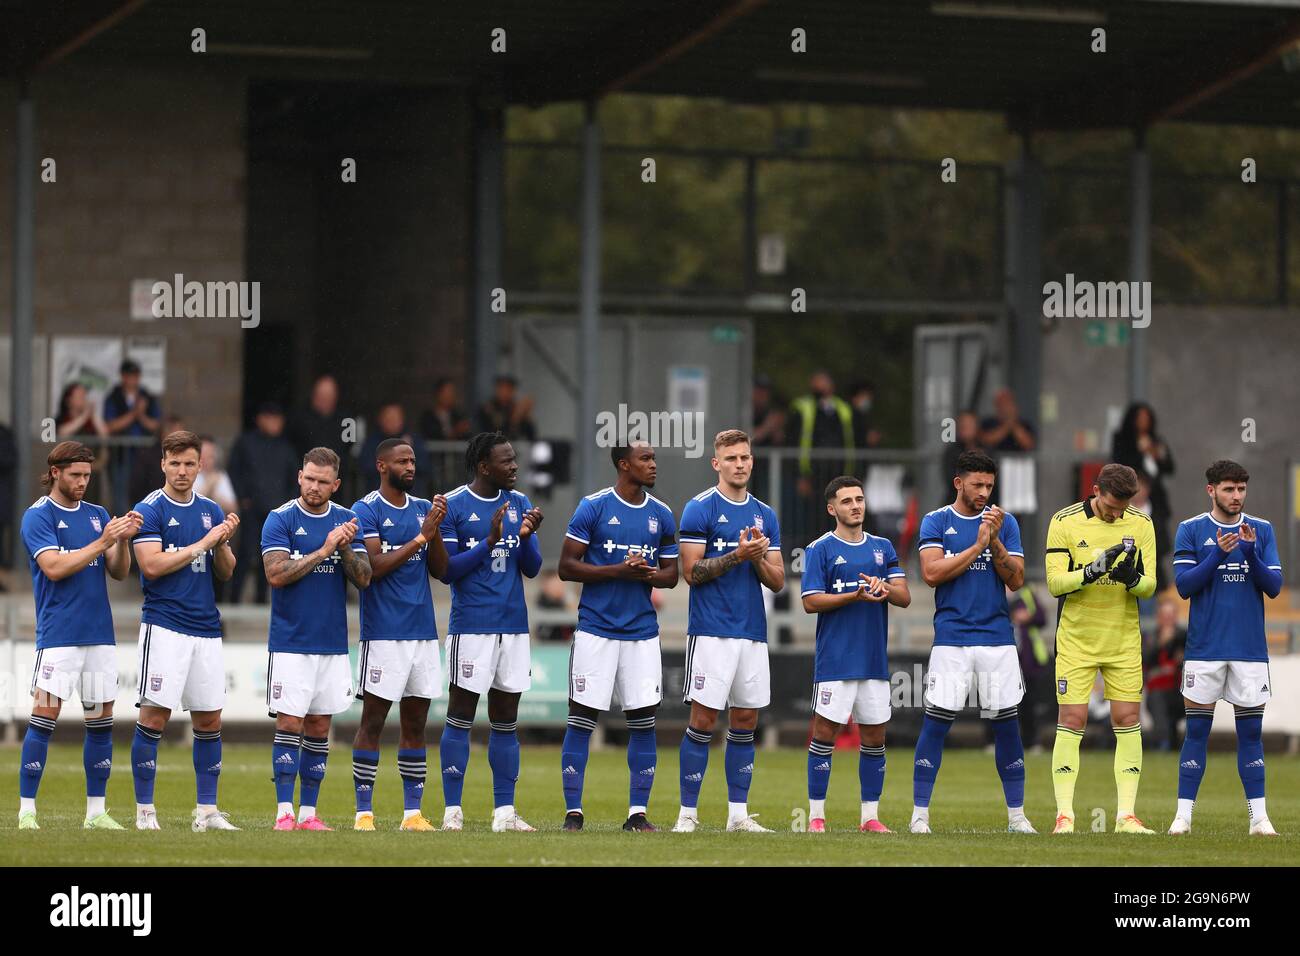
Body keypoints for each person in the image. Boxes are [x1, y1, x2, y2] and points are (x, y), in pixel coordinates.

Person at [17, 441, 142, 830]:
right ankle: (26, 811)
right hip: (59, 636)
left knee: (101, 721)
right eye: (75, 475)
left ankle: (95, 812)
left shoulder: (97, 514)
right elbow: (53, 567)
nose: (83, 482)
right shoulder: (38, 516)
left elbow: (119, 572)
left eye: (88, 475)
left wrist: (121, 540)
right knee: (45, 716)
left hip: (99, 635)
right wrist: (104, 540)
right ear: (55, 473)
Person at [911, 450, 1035, 834]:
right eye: (977, 484)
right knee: (936, 723)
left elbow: (1016, 581)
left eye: (990, 486)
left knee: (1006, 725)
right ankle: (920, 815)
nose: (984, 492)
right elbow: (932, 573)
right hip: (952, 637)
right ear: (958, 483)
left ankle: (1017, 817)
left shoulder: (1005, 522)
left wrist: (994, 542)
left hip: (997, 637)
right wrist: (978, 545)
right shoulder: (936, 521)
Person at [557, 442, 679, 831]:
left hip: (642, 632)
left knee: (643, 721)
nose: (654, 465)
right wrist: (616, 571)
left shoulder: (661, 514)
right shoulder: (593, 506)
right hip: (596, 629)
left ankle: (637, 814)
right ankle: (573, 813)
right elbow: (565, 567)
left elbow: (671, 575)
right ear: (624, 465)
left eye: (654, 459)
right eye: (645, 459)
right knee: (581, 720)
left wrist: (645, 573)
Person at [673, 429, 785, 834]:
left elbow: (778, 581)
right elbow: (691, 572)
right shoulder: (699, 508)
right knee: (703, 720)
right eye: (732, 458)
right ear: (716, 463)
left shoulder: (765, 515)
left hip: (752, 631)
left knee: (746, 720)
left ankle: (738, 814)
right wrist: (739, 554)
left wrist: (755, 559)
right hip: (711, 630)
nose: (740, 464)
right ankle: (687, 814)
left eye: (746, 457)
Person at [128, 430, 240, 831]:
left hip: (206, 628)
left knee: (210, 721)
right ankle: (145, 811)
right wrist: (201, 544)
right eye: (174, 463)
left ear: (199, 465)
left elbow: (225, 572)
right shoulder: (150, 508)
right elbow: (151, 566)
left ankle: (207, 812)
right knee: (154, 717)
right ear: (163, 464)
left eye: (189, 463)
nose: (181, 471)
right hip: (165, 627)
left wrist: (222, 544)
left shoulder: (210, 509)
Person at [435, 432, 544, 833]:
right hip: (473, 627)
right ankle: (452, 812)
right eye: (507, 460)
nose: (515, 466)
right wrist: (490, 541)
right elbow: (448, 570)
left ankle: (504, 813)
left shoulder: (518, 504)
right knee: (461, 715)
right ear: (484, 466)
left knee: (505, 720)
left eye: (515, 459)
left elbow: (531, 568)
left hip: (514, 626)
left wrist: (527, 536)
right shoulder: (454, 506)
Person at [1169, 460, 1282, 837]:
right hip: (1204, 650)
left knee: (1251, 735)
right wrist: (1217, 554)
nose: (1237, 496)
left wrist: (1249, 553)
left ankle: (1259, 819)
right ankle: (1183, 817)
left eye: (1241, 490)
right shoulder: (1191, 529)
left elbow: (1274, 587)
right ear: (1211, 490)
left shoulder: (1261, 531)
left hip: (1249, 651)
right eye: (1229, 489)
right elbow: (1185, 586)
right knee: (1196, 733)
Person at [262, 447, 372, 830]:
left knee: (320, 728)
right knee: (290, 724)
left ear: (335, 484)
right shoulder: (280, 519)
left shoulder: (347, 520)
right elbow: (276, 575)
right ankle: (283, 812)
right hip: (291, 641)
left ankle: (309, 814)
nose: (314, 487)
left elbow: (364, 578)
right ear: (299, 476)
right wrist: (324, 548)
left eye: (323, 482)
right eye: (309, 478)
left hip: (332, 643)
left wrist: (342, 546)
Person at [1045, 462, 1157, 835]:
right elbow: (1055, 583)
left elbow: (1151, 587)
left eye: (1122, 507)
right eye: (1111, 506)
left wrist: (1134, 579)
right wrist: (1090, 572)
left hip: (1123, 638)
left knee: (1127, 720)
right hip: (1076, 639)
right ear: (1095, 491)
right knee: (1072, 720)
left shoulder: (1141, 524)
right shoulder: (1064, 520)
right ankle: (1065, 816)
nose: (1116, 514)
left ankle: (1127, 816)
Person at [799, 475, 910, 833]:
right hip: (835, 660)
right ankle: (817, 816)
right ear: (832, 508)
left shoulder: (883, 547)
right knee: (825, 734)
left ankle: (870, 817)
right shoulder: (820, 549)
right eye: (847, 501)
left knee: (875, 738)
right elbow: (810, 601)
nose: (856, 506)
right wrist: (854, 595)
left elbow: (904, 596)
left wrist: (884, 588)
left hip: (874, 661)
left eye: (859, 499)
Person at [349, 439, 448, 832]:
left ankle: (412, 814)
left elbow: (440, 570)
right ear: (381, 464)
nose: (410, 466)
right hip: (384, 633)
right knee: (373, 722)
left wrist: (435, 530)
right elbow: (371, 567)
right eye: (402, 460)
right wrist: (421, 538)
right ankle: (363, 813)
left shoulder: (424, 509)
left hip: (422, 633)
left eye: (412, 459)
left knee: (416, 724)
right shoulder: (366, 509)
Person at [227, 403, 299, 604]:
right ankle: (233, 599)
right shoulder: (246, 443)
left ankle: (261, 599)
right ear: (260, 419)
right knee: (245, 552)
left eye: (277, 419)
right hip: (251, 509)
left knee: (269, 555)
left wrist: (289, 504)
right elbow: (234, 470)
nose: (274, 423)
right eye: (270, 418)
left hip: (276, 512)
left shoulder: (286, 448)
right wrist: (242, 498)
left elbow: (295, 479)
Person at [1111, 402, 1175, 589]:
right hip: (1129, 496)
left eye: (1147, 419)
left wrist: (1153, 453)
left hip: (1155, 498)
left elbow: (1169, 467)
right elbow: (1120, 463)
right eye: (1140, 419)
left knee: (1156, 539)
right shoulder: (1122, 440)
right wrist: (1140, 452)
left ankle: (1156, 587)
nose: (1143, 423)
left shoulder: (1157, 441)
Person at [790, 371, 855, 542]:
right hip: (812, 473)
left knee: (837, 516)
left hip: (838, 472)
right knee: (812, 519)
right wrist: (800, 475)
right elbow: (793, 440)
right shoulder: (803, 407)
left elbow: (849, 440)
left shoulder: (843, 409)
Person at [102, 359, 162, 517]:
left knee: (145, 493)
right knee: (120, 496)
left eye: (135, 375)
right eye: (129, 375)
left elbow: (155, 425)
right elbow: (110, 425)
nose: (132, 379)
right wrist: (134, 413)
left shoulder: (147, 396)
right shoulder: (114, 396)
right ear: (123, 376)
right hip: (120, 455)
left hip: (144, 455)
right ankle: (122, 532)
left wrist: (140, 415)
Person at [1008, 583, 1052, 753]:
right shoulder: (994, 588)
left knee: (1029, 701)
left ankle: (1031, 741)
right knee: (1000, 701)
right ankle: (998, 740)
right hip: (1002, 656)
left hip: (1027, 659)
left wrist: (1028, 617)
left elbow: (1042, 618)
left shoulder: (1027, 594)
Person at [1142, 596, 1186, 752]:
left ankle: (1190, 745)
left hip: (1179, 691)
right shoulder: (1150, 637)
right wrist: (1161, 643)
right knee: (1158, 701)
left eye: (1171, 615)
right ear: (1158, 617)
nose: (1168, 619)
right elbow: (1145, 659)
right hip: (1158, 693)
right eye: (1164, 615)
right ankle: (1163, 743)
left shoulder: (1184, 636)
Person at [359, 402, 428, 496]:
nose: (392, 421)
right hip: (380, 496)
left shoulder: (413, 440)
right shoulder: (372, 442)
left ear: (402, 419)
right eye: (388, 418)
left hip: (410, 496)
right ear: (380, 419)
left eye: (395, 418)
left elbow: (424, 465)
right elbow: (366, 466)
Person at [475, 375, 537, 441]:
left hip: (515, 448)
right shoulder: (487, 409)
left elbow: (531, 436)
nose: (505, 392)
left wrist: (525, 416)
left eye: (508, 389)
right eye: (501, 388)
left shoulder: (516, 408)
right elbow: (487, 432)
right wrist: (514, 419)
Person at [939, 410, 984, 500]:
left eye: (970, 425)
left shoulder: (985, 450)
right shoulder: (952, 452)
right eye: (964, 425)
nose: (966, 428)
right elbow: (951, 479)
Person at [978, 387, 1035, 453]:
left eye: (1007, 402)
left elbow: (1029, 445)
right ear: (996, 405)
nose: (1004, 407)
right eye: (1001, 403)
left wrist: (1013, 422)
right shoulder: (988, 422)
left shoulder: (1025, 423)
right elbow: (986, 441)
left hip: (1019, 461)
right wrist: (1007, 425)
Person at [421, 377, 472, 441]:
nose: (450, 396)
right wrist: (454, 432)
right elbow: (433, 437)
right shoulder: (428, 417)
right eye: (447, 392)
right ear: (438, 393)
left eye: (452, 392)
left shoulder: (458, 415)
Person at [849, 381, 882, 449]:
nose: (868, 399)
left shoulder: (867, 417)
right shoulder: (848, 417)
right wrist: (865, 438)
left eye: (869, 396)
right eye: (864, 396)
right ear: (854, 398)